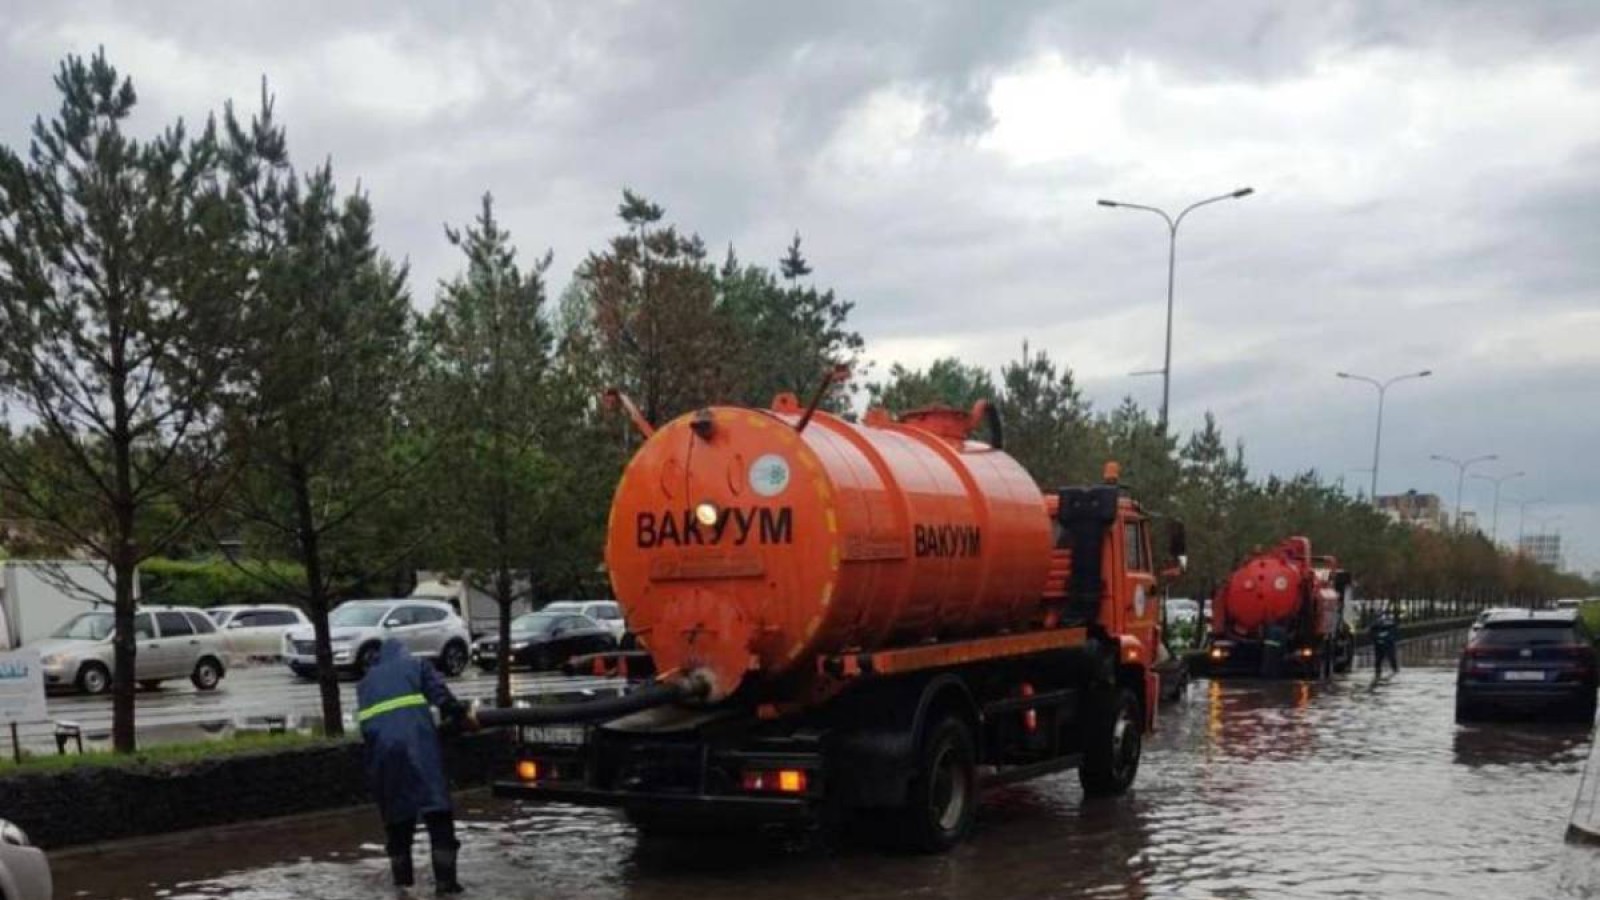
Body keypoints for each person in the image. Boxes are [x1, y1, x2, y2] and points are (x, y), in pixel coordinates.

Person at [357, 638, 475, 894]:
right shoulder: (416, 665)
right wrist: (462, 716)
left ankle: (402, 884)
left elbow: (367, 730)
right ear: (403, 652)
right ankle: (446, 884)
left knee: (397, 819)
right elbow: (443, 699)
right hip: (418, 748)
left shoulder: (365, 683)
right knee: (437, 812)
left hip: (382, 757)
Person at [1369, 606, 1400, 680]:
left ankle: (1380, 673)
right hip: (1383, 644)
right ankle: (1380, 673)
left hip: (1386, 643)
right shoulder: (1378, 623)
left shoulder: (1386, 622)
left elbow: (1394, 631)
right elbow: (1371, 632)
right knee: (1381, 660)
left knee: (1385, 659)